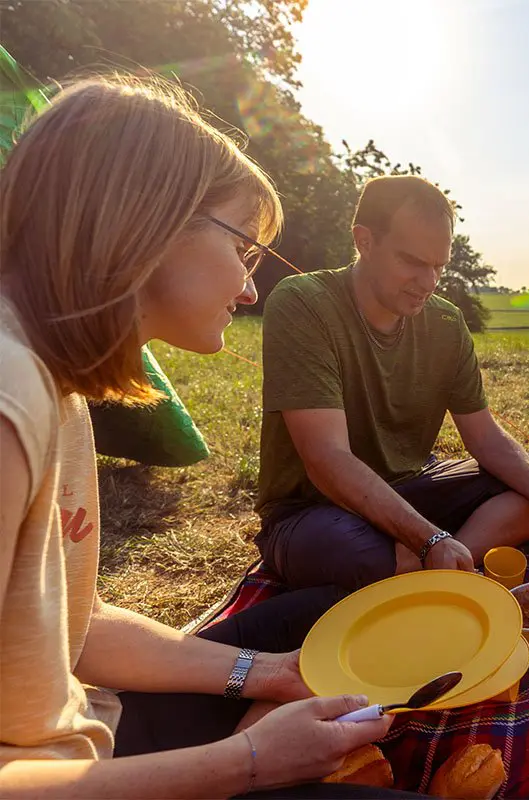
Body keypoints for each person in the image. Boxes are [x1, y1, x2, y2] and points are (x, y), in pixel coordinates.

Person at [0, 75, 424, 798]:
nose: (250, 289)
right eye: (245, 250)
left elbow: (76, 624)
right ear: (146, 221)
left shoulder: (55, 385)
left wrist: (269, 673)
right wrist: (249, 762)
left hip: (82, 730)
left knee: (327, 622)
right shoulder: (10, 399)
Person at [254, 175, 529, 592]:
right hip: (313, 509)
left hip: (412, 488)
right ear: (364, 241)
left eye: (438, 266)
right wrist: (428, 537)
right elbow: (326, 459)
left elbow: (485, 438)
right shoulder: (303, 302)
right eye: (411, 262)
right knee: (354, 553)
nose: (428, 283)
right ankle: (432, 558)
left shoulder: (445, 322)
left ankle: (438, 567)